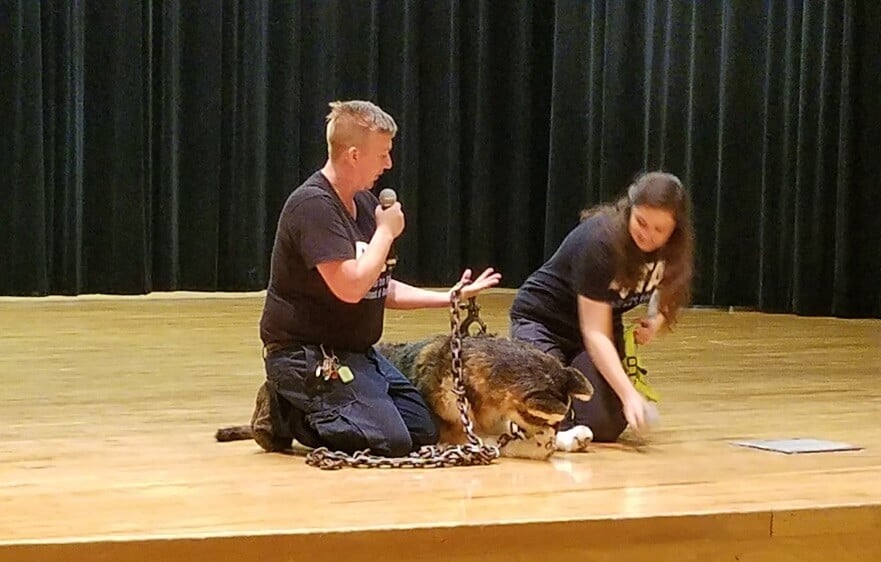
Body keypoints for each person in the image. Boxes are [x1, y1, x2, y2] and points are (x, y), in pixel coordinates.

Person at [251, 100, 501, 456]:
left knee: (422, 428)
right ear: (354, 155)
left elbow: (380, 286)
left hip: (355, 353)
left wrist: (449, 297)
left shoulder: (366, 205)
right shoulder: (313, 206)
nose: (389, 164)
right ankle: (284, 411)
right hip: (304, 355)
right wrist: (385, 233)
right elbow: (351, 287)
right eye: (382, 155)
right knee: (390, 441)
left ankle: (318, 405)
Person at [509, 171, 694, 442]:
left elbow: (668, 288)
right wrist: (629, 393)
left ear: (674, 229)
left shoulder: (673, 250)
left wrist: (656, 321)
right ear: (629, 210)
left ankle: (566, 383)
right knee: (551, 415)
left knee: (604, 427)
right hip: (543, 321)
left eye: (659, 230)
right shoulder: (599, 241)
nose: (648, 235)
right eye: (641, 222)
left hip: (598, 327)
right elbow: (594, 332)